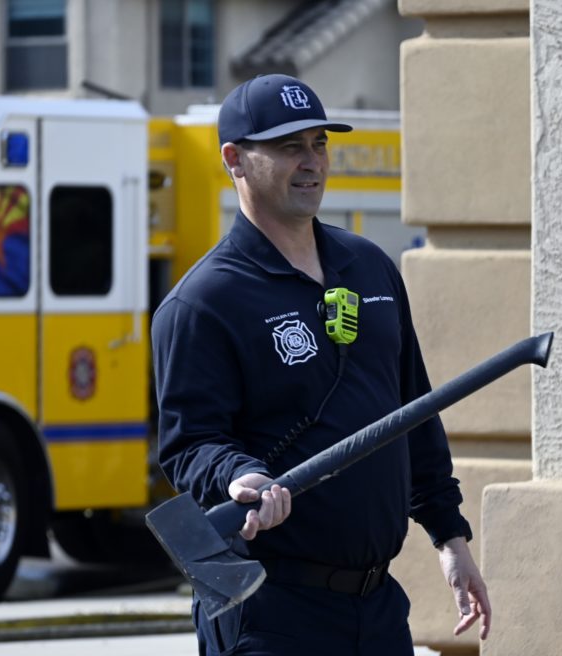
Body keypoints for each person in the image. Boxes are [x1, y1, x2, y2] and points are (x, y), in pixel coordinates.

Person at [151, 74, 491, 656]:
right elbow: (190, 444)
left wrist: (450, 538)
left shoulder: (369, 267)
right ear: (234, 159)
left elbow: (413, 412)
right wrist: (238, 474)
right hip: (271, 613)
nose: (311, 162)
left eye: (319, 143)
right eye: (289, 147)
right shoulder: (203, 302)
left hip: (378, 608)